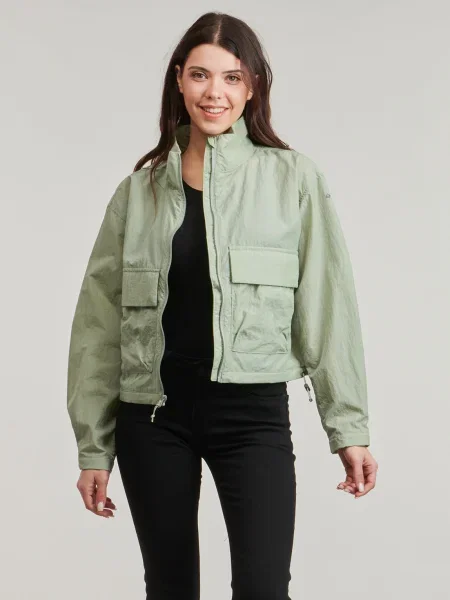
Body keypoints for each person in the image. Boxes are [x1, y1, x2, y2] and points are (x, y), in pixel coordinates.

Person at [67, 11, 378, 600]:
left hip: (252, 415)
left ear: (252, 86)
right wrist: (94, 448)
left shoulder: (293, 180)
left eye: (232, 77)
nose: (215, 92)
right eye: (201, 75)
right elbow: (98, 325)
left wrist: (349, 428)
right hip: (153, 417)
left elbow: (328, 307)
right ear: (179, 81)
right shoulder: (137, 194)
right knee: (169, 588)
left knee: (264, 589)